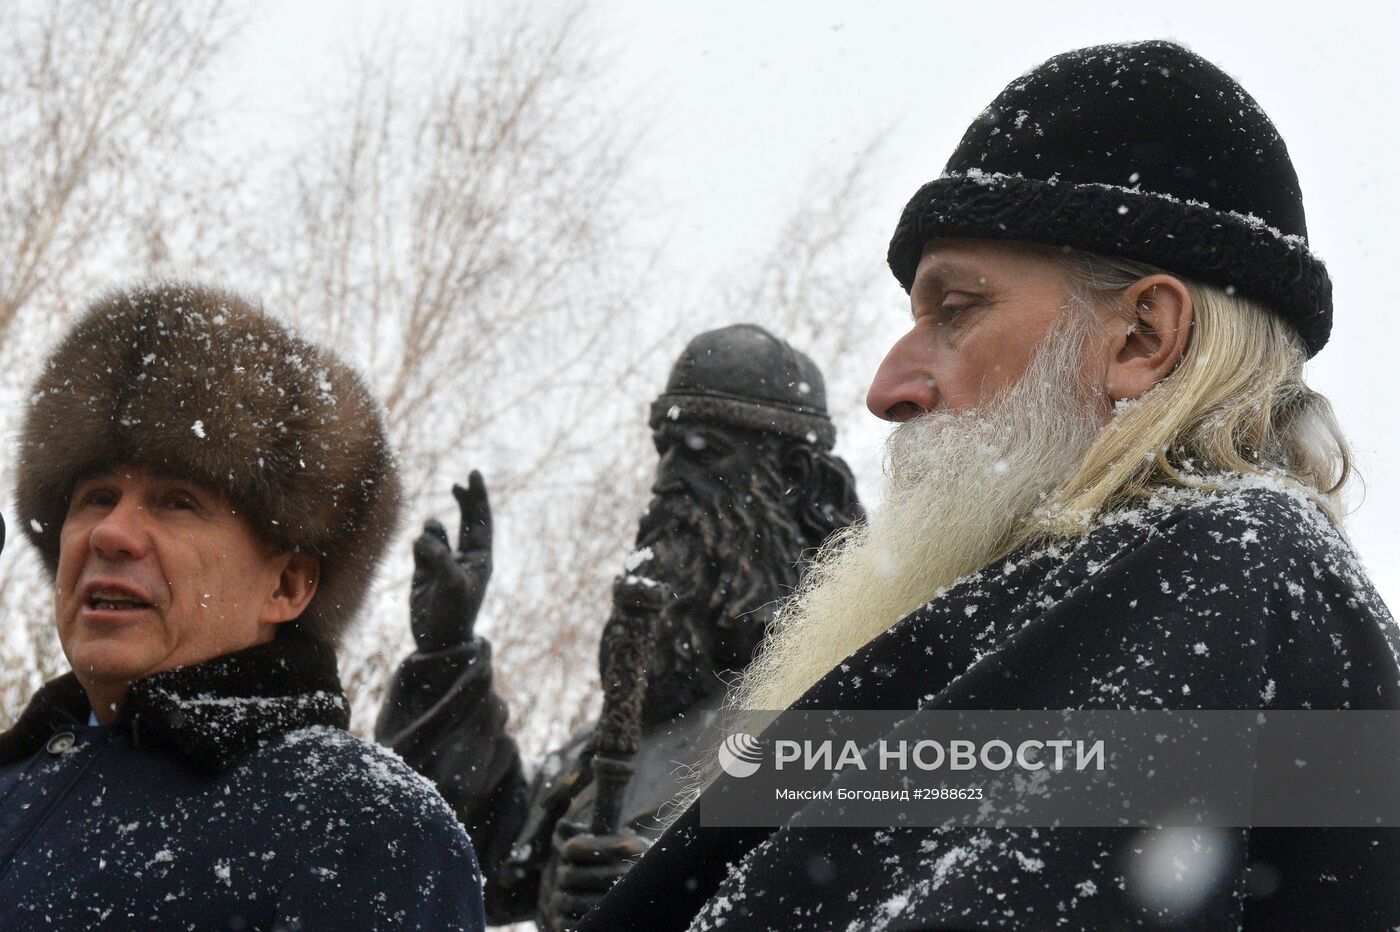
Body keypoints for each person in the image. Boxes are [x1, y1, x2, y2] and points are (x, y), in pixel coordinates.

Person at [579, 40, 1400, 930]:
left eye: (956, 310)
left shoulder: (1213, 585)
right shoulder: (1133, 602)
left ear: (1141, 336)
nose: (889, 387)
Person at [1, 284, 485, 930]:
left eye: (177, 501)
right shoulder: (14, 784)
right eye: (94, 496)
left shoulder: (358, 823)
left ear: (287, 585)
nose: (111, 533)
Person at [375, 324, 860, 929]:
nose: (665, 481)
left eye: (703, 451)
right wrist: (446, 653)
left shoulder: (853, 719)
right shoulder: (603, 748)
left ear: (789, 476)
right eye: (665, 450)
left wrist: (670, 897)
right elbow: (467, 866)